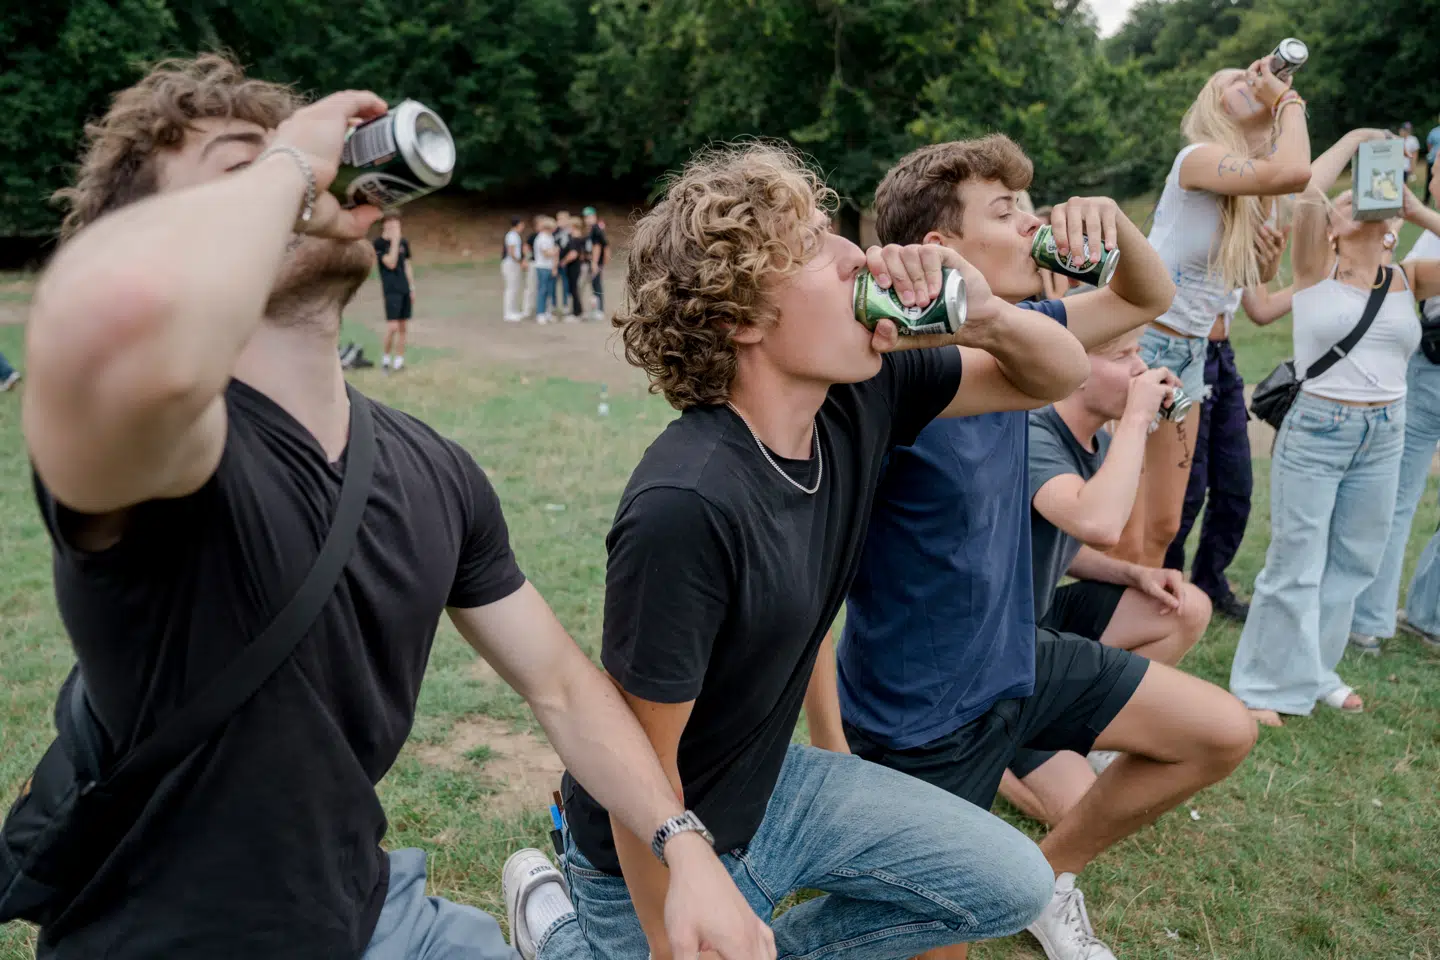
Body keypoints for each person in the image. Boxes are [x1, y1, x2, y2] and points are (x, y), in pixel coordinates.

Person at [20, 54, 771, 960]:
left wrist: (680, 844)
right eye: (239, 171)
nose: (309, 180)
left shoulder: (431, 470)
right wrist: (289, 161)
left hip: (377, 915)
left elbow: (562, 687)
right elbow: (103, 317)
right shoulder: (156, 453)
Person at [505, 141, 1094, 960]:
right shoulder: (688, 504)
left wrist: (986, 314)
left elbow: (1054, 377)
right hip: (659, 842)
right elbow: (646, 767)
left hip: (774, 787)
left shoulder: (863, 396)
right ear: (741, 317)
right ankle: (558, 922)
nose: (860, 252)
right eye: (817, 243)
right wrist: (670, 939)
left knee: (1014, 883)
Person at [818, 135, 1255, 960]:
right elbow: (809, 587)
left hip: (1015, 661)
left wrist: (1117, 228)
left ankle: (1038, 881)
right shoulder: (886, 379)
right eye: (1005, 210)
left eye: (1030, 204)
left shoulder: (1024, 335)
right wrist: (832, 749)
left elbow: (1147, 296)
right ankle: (987, 888)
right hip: (918, 720)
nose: (1032, 224)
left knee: (1220, 731)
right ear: (943, 251)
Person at [1231, 130, 1440, 727]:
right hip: (1320, 431)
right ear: (1331, 230)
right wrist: (1353, 141)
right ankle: (1263, 687)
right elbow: (1307, 192)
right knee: (1296, 560)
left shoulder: (1409, 278)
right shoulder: (1314, 270)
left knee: (1354, 561)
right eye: (1346, 204)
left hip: (1387, 432)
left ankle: (1314, 672)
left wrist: (1417, 207)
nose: (1357, 202)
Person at [1000, 329, 1215, 829]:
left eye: (1140, 353)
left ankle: (1063, 728)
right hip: (995, 648)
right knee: (1083, 810)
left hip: (1038, 626)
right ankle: (989, 753)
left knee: (1183, 607)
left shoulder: (1093, 440)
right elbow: (1096, 523)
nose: (1140, 369)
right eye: (1123, 356)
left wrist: (1134, 574)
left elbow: (1065, 543)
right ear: (1072, 373)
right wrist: (1138, 418)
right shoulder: (1034, 432)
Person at [1115, 58, 1311, 568]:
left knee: (1165, 519)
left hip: (1192, 353)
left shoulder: (1254, 197)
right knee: (1126, 519)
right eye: (1235, 81)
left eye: (1252, 78)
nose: (1250, 81)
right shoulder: (1196, 159)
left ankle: (1138, 623)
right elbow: (1295, 171)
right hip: (1145, 343)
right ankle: (1098, 631)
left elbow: (1244, 280)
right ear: (1213, 105)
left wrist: (1262, 265)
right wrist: (1289, 101)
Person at [1164, 225, 1292, 623]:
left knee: (1236, 485)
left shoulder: (1245, 233)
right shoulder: (1192, 223)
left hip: (1222, 358)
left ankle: (1209, 581)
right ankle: (1165, 580)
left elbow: (1262, 308)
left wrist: (1323, 279)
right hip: (1185, 356)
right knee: (1187, 487)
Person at [1351, 164, 1440, 654]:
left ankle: (1372, 621)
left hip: (1428, 375)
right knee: (1395, 498)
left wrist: (1417, 215)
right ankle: (1416, 617)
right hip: (1428, 367)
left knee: (1396, 498)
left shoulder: (1430, 230)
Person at [374, 213, 415, 371]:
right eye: (391, 226)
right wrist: (395, 240)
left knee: (403, 327)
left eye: (397, 226)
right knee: (393, 327)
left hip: (404, 288)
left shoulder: (404, 242)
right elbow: (390, 263)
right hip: (391, 290)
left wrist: (412, 288)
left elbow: (407, 265)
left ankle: (399, 361)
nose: (395, 229)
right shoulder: (379, 244)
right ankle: (385, 359)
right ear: (384, 226)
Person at [558, 213, 585, 322]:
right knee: (573, 289)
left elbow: (573, 254)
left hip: (574, 267)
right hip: (575, 267)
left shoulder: (575, 238)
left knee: (574, 290)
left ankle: (577, 313)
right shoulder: (577, 238)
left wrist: (563, 261)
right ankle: (575, 311)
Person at [533, 216, 560, 323]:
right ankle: (540, 313)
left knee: (550, 291)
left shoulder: (550, 237)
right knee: (542, 290)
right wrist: (555, 250)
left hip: (550, 267)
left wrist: (554, 266)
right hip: (542, 267)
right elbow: (546, 253)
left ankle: (548, 313)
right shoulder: (541, 238)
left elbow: (553, 253)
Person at [583, 206, 608, 321]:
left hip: (596, 262)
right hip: (595, 261)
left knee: (596, 285)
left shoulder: (595, 229)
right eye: (585, 217)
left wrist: (594, 262)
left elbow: (597, 246)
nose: (587, 219)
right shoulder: (595, 229)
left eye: (589, 216)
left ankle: (599, 310)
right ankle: (596, 309)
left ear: (594, 216)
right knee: (595, 285)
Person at [503, 215, 527, 322]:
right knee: (511, 288)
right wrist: (520, 261)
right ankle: (508, 312)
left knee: (515, 287)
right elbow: (511, 252)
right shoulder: (512, 235)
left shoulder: (516, 235)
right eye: (522, 224)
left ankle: (513, 310)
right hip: (511, 264)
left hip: (514, 263)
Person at [554, 210, 575, 313]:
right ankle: (553, 305)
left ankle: (566, 305)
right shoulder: (555, 232)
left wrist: (564, 260)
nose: (560, 221)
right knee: (552, 284)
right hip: (554, 262)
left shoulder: (570, 232)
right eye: (559, 219)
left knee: (566, 284)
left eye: (563, 219)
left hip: (566, 263)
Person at [1426, 115, 1440, 205]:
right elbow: (1429, 144)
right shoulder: (1434, 131)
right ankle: (1426, 200)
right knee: (1430, 180)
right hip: (1433, 160)